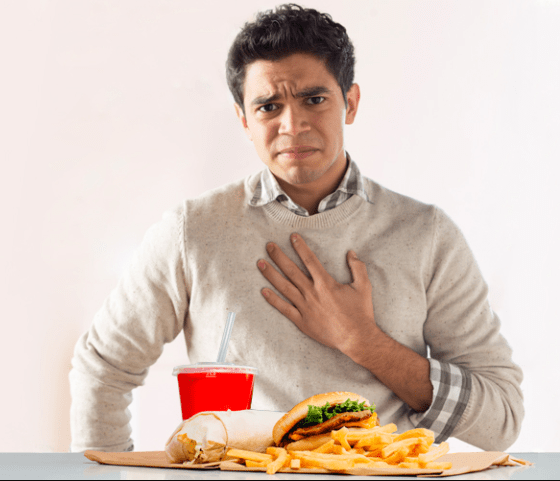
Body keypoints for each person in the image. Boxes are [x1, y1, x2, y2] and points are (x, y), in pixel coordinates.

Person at [69, 4, 523, 453]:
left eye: (314, 99)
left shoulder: (426, 235)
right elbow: (103, 367)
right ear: (244, 120)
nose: (293, 125)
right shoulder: (193, 231)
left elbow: (501, 420)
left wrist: (363, 342)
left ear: (351, 102)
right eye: (269, 106)